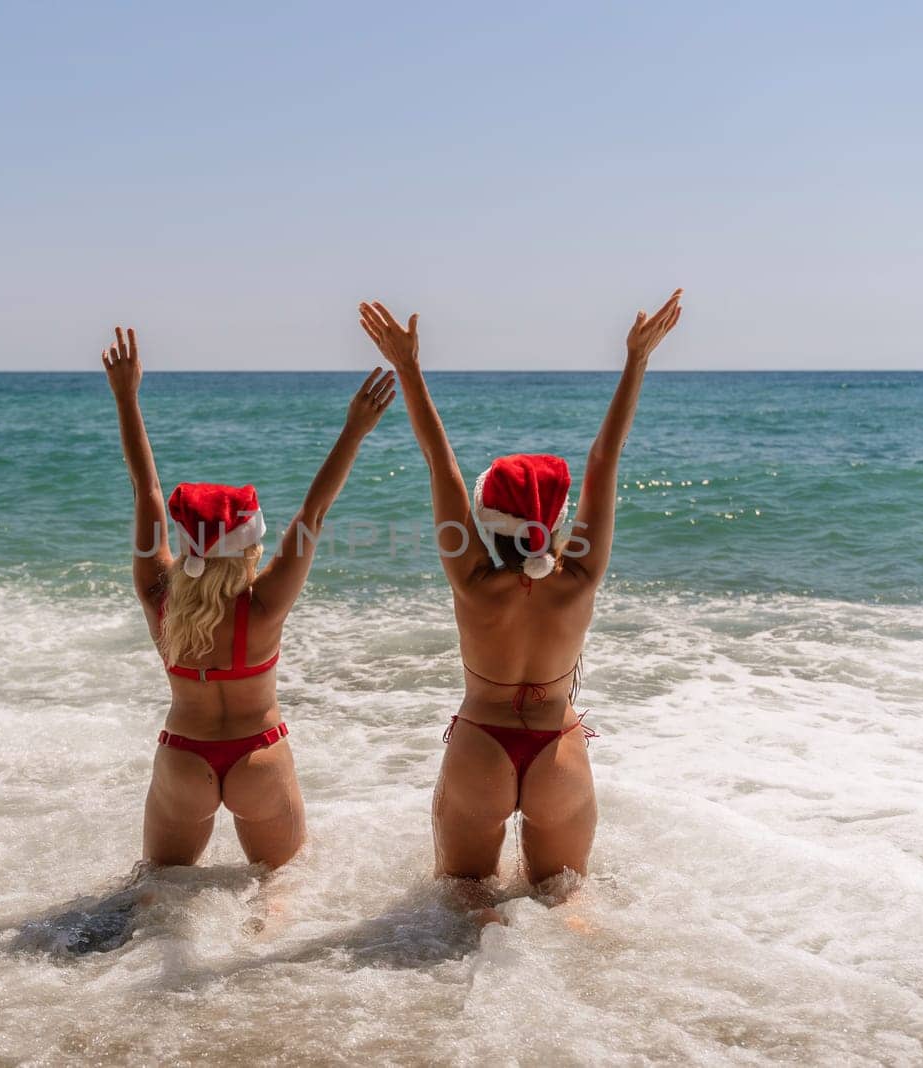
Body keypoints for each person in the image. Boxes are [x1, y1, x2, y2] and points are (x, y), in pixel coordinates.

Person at [357, 292, 683, 907]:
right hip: (558, 750)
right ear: (558, 522)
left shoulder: (472, 579)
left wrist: (408, 368)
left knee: (460, 909)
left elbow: (439, 464)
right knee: (564, 910)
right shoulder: (579, 577)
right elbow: (603, 461)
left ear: (487, 522)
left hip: (483, 742)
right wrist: (636, 361)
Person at [102, 325, 396, 868]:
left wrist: (126, 397)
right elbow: (314, 514)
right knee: (277, 897)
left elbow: (144, 488)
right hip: (259, 756)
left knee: (159, 896)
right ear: (249, 547)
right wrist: (354, 430)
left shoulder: (158, 594)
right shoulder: (264, 606)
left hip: (183, 760)